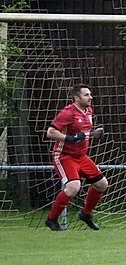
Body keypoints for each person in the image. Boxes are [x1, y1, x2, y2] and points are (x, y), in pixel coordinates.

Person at [44, 85, 109, 231]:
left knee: (102, 184)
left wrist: (94, 134)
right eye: (86, 95)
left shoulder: (89, 111)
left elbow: (82, 132)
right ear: (76, 98)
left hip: (82, 157)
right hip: (64, 156)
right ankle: (51, 219)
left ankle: (85, 214)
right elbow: (51, 132)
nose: (90, 97)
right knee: (74, 187)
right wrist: (69, 138)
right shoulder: (68, 112)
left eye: (90, 94)